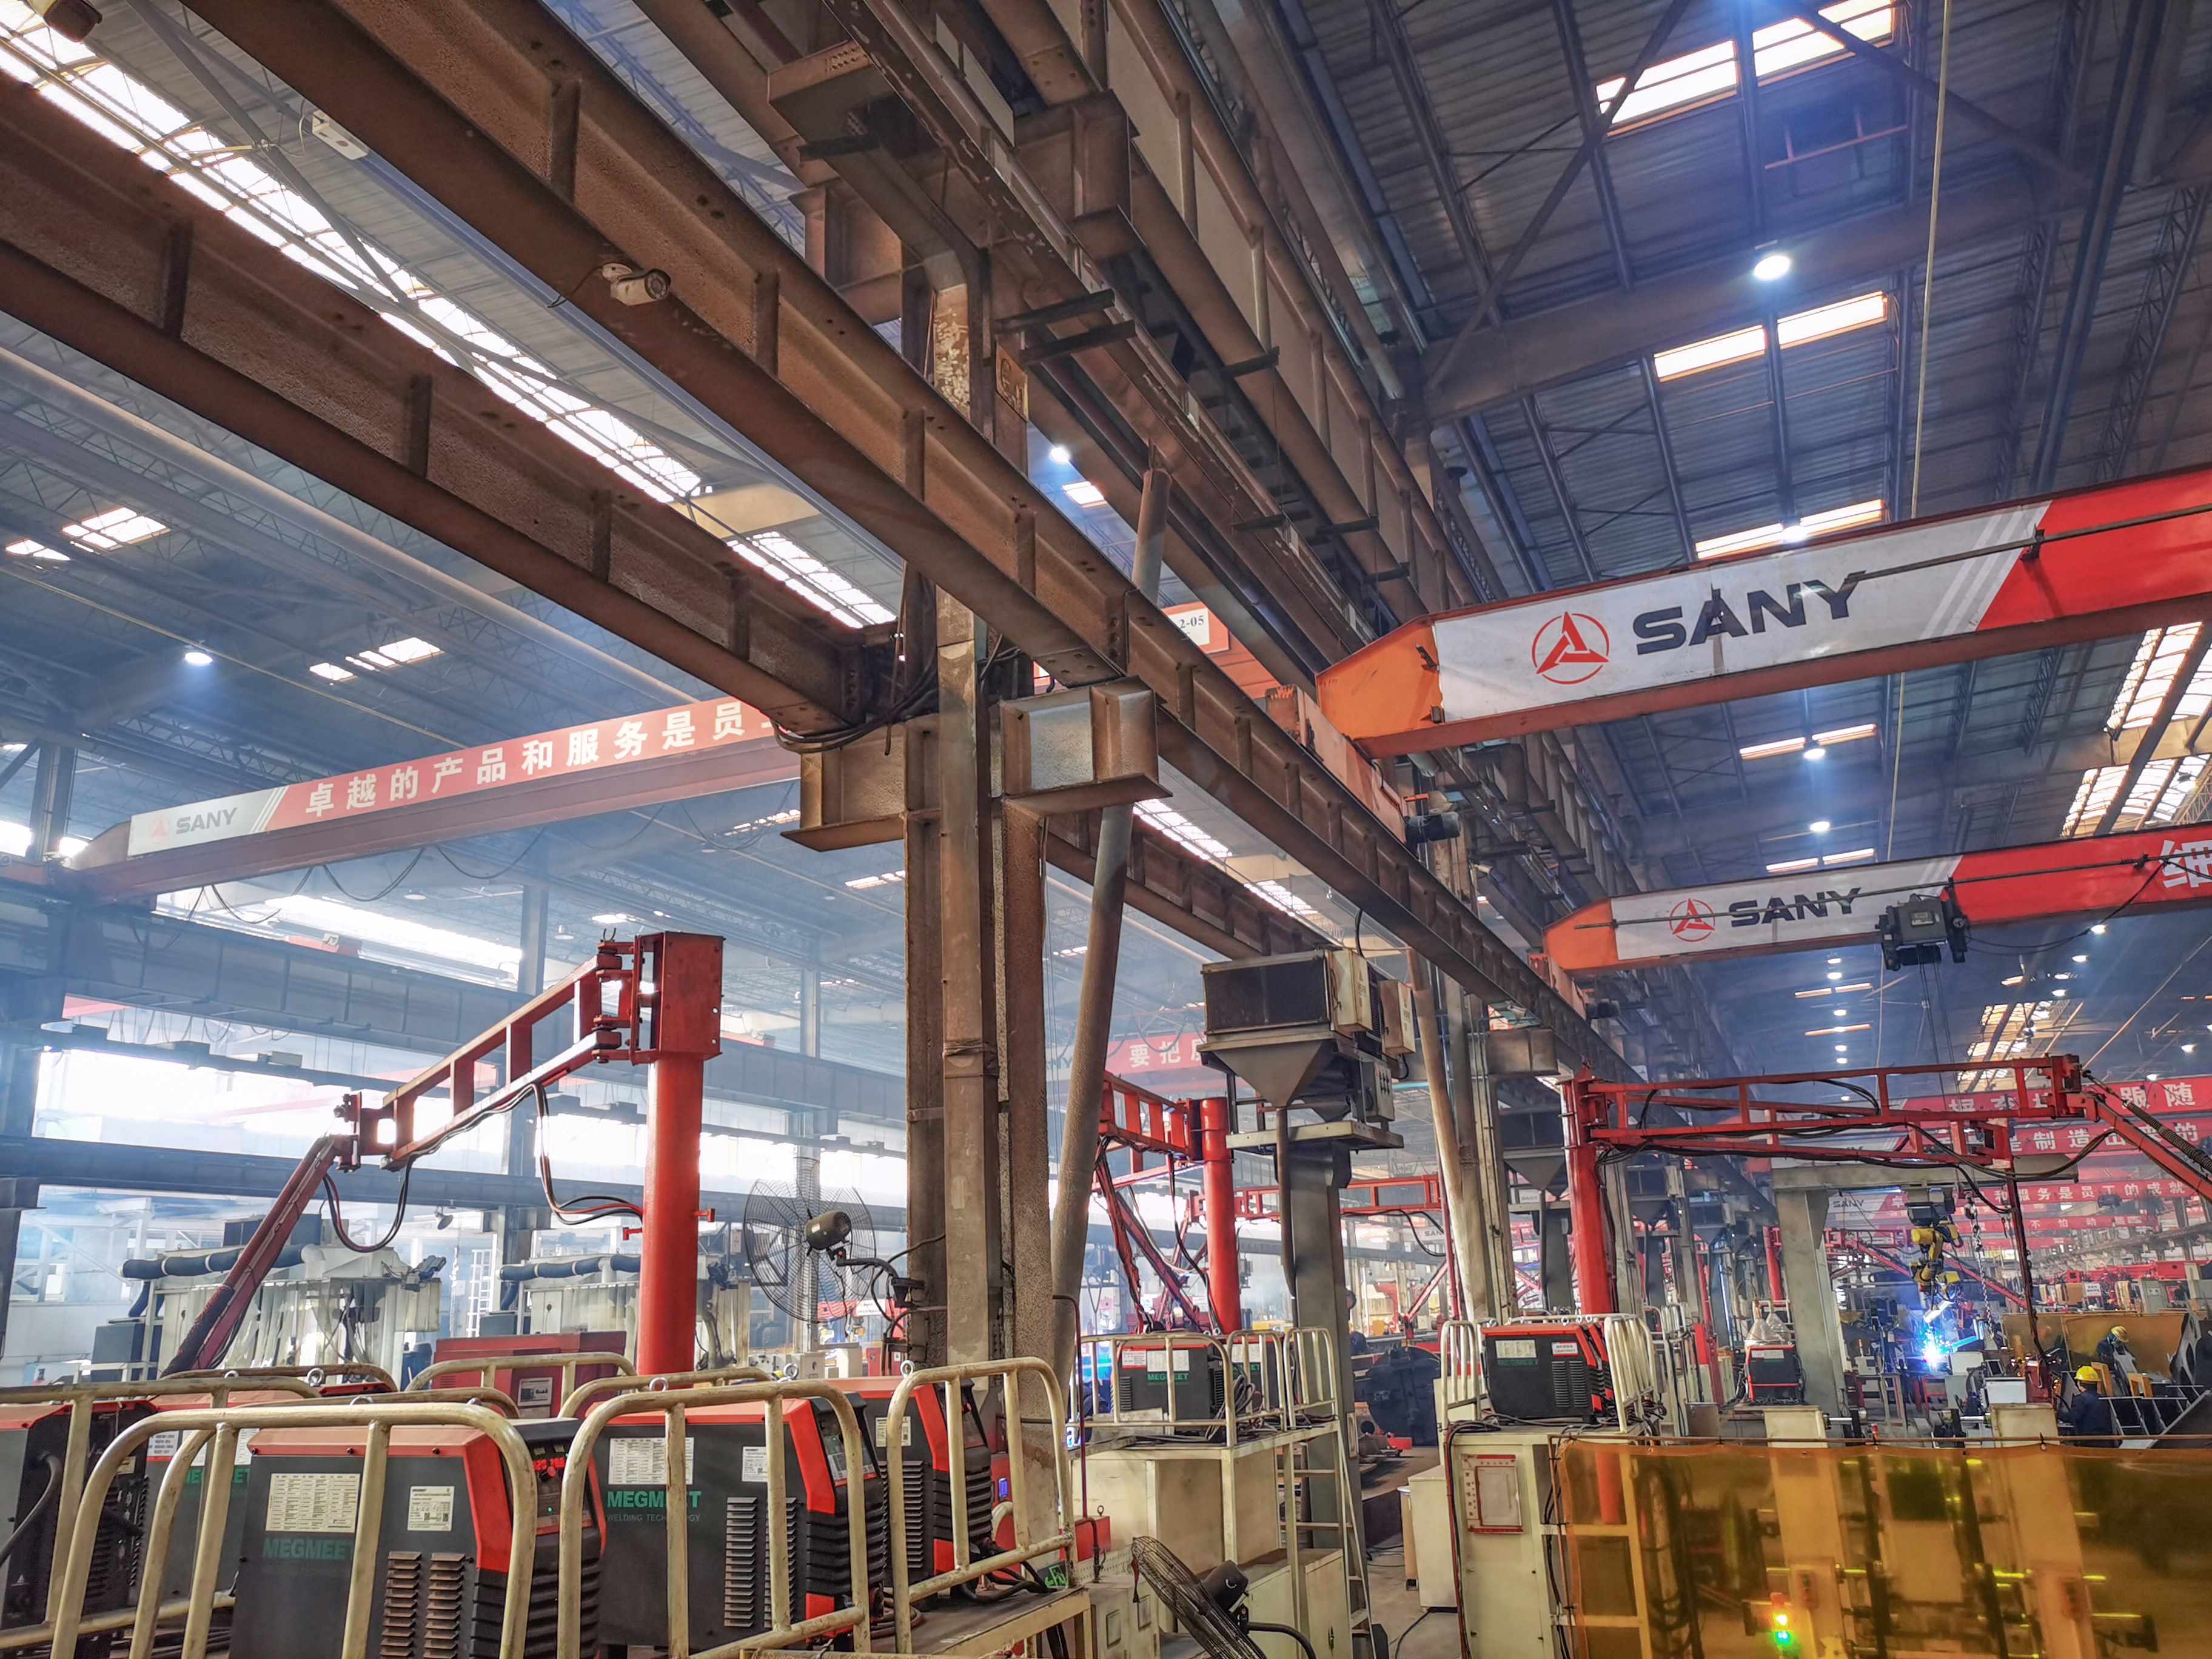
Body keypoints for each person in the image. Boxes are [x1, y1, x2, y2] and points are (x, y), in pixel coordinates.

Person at [2062, 1364, 2116, 1439]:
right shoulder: (2103, 1400)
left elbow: (2073, 1417)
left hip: (2089, 1440)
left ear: (2079, 1383)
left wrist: (2059, 1415)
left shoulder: (2081, 1399)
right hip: (2106, 1439)